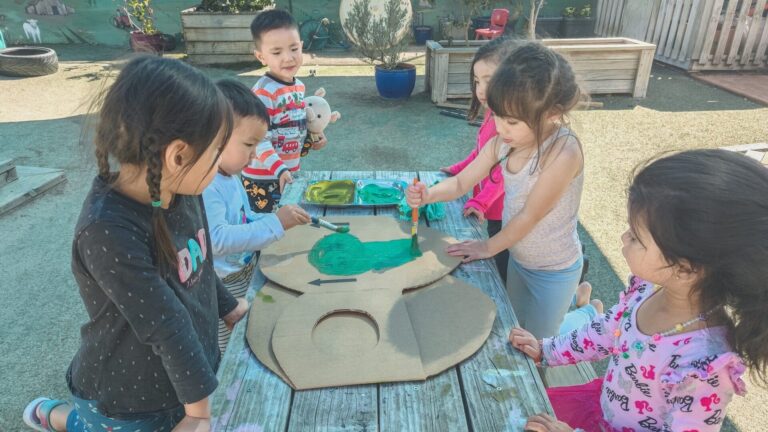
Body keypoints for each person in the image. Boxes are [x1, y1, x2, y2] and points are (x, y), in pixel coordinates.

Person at [22, 56, 248, 432]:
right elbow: (166, 323)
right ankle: (57, 416)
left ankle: (58, 416)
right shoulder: (105, 231)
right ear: (178, 156)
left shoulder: (180, 188)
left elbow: (199, 261)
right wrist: (200, 414)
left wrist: (229, 307)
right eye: (216, 152)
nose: (220, 163)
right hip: (131, 398)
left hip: (184, 379)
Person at [511, 149, 768, 431]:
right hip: (599, 412)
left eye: (635, 237)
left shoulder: (703, 367)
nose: (624, 237)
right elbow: (607, 332)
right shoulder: (646, 291)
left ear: (685, 268)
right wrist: (547, 351)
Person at [407, 41, 585, 339]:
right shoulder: (505, 143)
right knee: (515, 329)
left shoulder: (564, 153)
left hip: (554, 271)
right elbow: (462, 181)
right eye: (498, 116)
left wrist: (487, 248)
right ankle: (581, 308)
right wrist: (429, 194)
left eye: (512, 121)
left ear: (551, 114)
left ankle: (586, 313)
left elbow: (529, 216)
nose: (501, 128)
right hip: (519, 259)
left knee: (540, 345)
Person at [205, 79, 310, 353]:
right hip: (222, 284)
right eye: (249, 146)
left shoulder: (228, 174)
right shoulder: (206, 186)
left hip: (242, 269)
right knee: (230, 347)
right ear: (214, 136)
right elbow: (216, 239)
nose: (254, 157)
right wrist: (274, 224)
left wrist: (272, 223)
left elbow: (242, 217)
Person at [439, 36, 519, 283]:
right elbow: (480, 155)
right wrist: (457, 170)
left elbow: (502, 173)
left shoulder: (510, 125)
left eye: (489, 80)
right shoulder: (492, 114)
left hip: (505, 213)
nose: (481, 90)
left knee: (504, 268)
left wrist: (481, 202)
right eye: (476, 81)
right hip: (493, 211)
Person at [242, 9, 327, 213]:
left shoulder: (298, 87)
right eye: (277, 52)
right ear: (261, 56)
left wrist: (312, 139)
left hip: (287, 174)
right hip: (263, 181)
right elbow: (259, 140)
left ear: (302, 47)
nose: (288, 58)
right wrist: (280, 170)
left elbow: (293, 128)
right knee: (267, 235)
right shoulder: (263, 93)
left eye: (294, 48)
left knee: (287, 230)